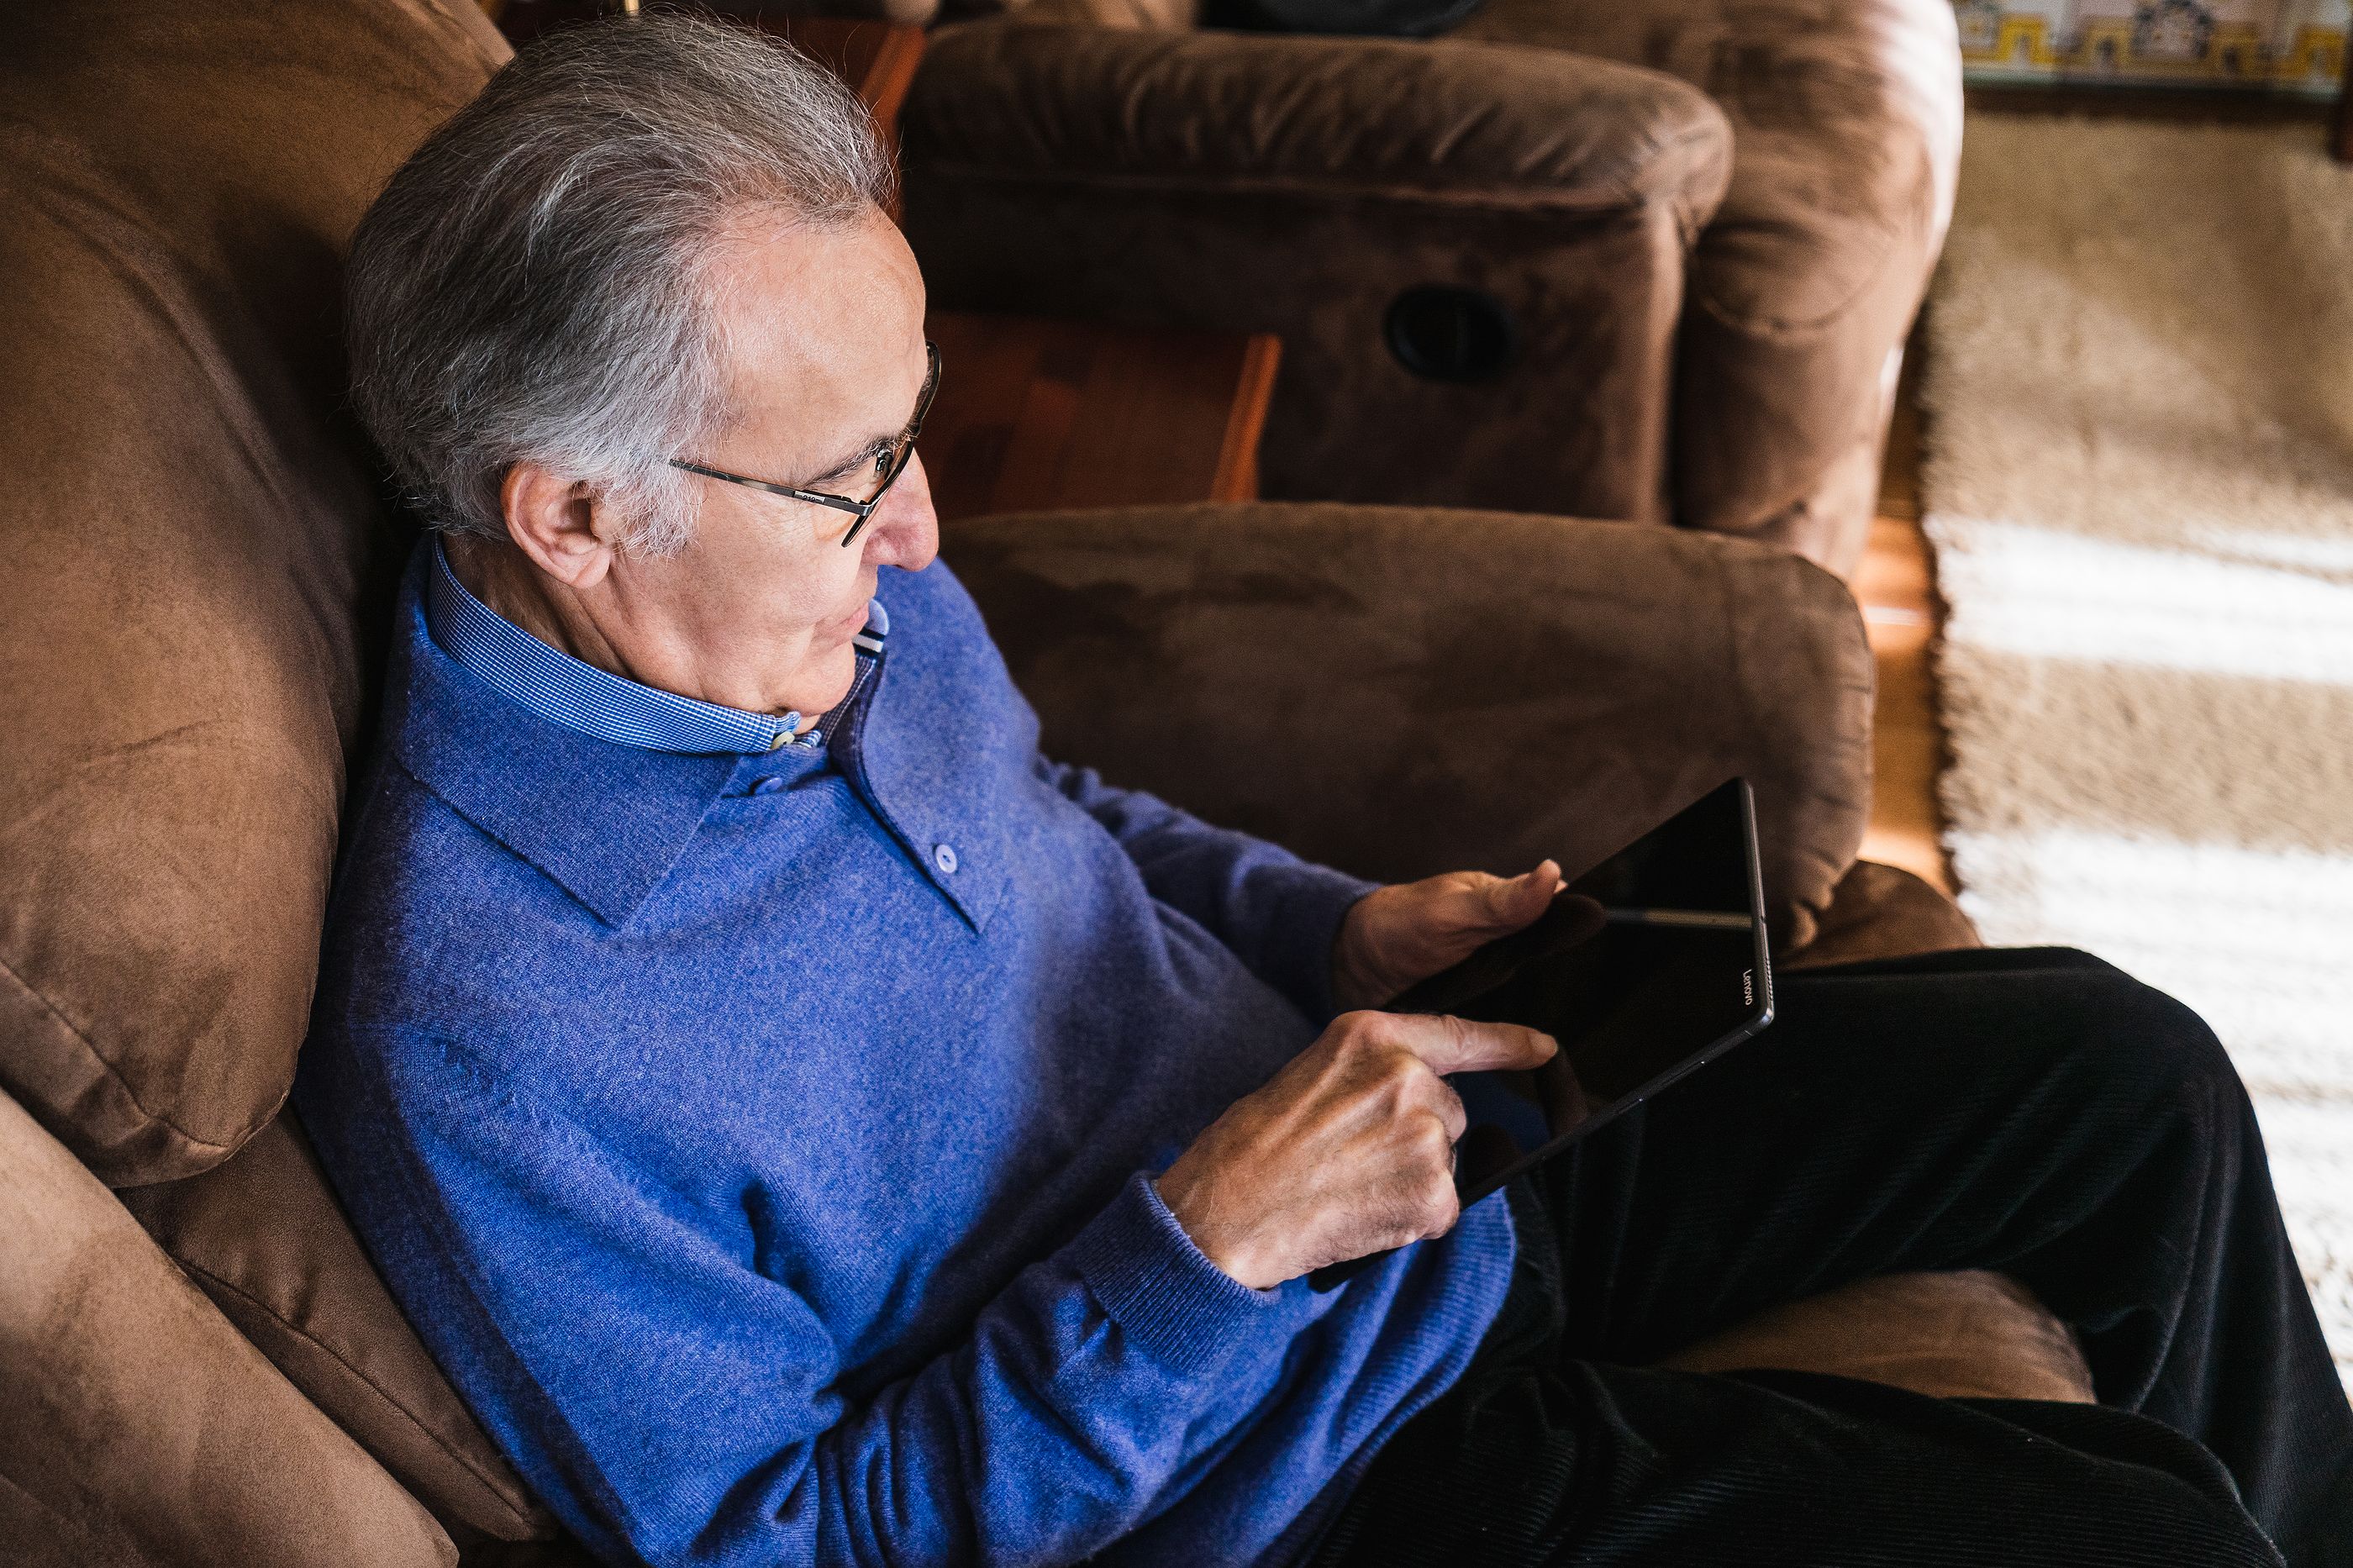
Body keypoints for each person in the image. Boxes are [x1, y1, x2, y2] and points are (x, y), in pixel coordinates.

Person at [295, 17, 2353, 1568]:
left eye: (904, 439)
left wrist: (1325, 924)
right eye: (853, 483)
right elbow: (790, 1539)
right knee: (2130, 1528)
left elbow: (1050, 802)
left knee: (2118, 1067)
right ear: (569, 512)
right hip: (1290, 1484)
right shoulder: (484, 1044)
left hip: (1408, 1155)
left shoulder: (772, 590)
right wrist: (1195, 1256)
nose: (922, 534)